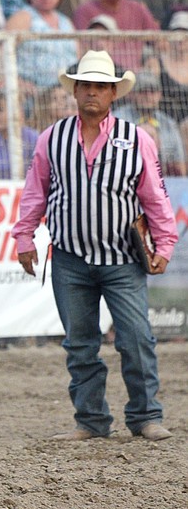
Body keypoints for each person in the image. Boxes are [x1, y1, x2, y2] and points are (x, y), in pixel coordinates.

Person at [13, 49, 176, 442]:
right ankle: (90, 420)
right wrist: (24, 235)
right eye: (86, 85)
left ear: (113, 93)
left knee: (136, 338)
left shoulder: (138, 140)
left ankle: (145, 416)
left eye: (100, 86)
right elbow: (35, 192)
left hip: (122, 258)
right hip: (69, 258)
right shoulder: (52, 139)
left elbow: (155, 196)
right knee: (80, 343)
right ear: (75, 90)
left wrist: (165, 244)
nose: (92, 92)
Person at [71, 0, 160, 70]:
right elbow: (81, 48)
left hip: (136, 77)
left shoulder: (138, 9)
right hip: (99, 73)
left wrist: (150, 58)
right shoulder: (84, 11)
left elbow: (158, 41)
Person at [116, 72, 188, 177]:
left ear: (159, 95)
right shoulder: (118, 120)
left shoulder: (169, 124)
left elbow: (180, 168)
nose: (148, 96)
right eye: (142, 92)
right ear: (131, 94)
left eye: (152, 92)